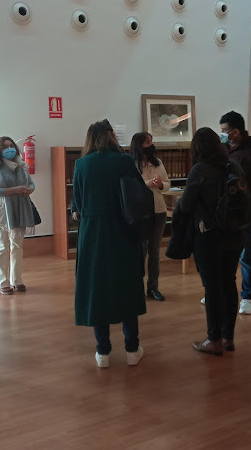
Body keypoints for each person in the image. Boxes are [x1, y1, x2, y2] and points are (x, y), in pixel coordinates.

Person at [73, 119, 147, 368]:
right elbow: (139, 196)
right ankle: (131, 348)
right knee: (125, 286)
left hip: (92, 233)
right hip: (122, 231)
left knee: (97, 289)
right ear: (110, 135)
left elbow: (79, 204)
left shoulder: (81, 164)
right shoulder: (124, 161)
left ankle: (102, 351)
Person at [179, 127, 245, 356]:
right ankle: (228, 337)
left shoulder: (200, 170)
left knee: (212, 286)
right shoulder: (233, 165)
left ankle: (213, 339)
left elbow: (186, 205)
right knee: (229, 283)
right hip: (235, 233)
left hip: (209, 235)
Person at [220, 111, 251, 315]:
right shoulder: (222, 149)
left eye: (224, 130)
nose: (221, 134)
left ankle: (248, 295)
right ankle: (220, 291)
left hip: (246, 209)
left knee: (245, 251)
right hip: (223, 209)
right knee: (222, 252)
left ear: (235, 131)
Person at [0, 136, 36, 295]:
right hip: (2, 210)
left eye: (11, 146)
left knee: (17, 245)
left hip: (21, 207)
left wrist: (29, 189)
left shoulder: (22, 166)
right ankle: (2, 282)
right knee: (2, 245)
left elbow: (31, 183)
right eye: (5, 147)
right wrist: (15, 190)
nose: (9, 149)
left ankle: (17, 280)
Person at [129, 132, 170, 302]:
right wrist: (146, 184)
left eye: (151, 142)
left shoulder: (157, 162)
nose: (151, 145)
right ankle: (135, 288)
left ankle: (153, 288)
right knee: (141, 251)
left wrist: (161, 184)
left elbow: (167, 185)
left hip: (159, 211)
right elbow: (128, 187)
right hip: (140, 213)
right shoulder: (131, 163)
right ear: (139, 145)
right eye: (147, 142)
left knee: (154, 252)